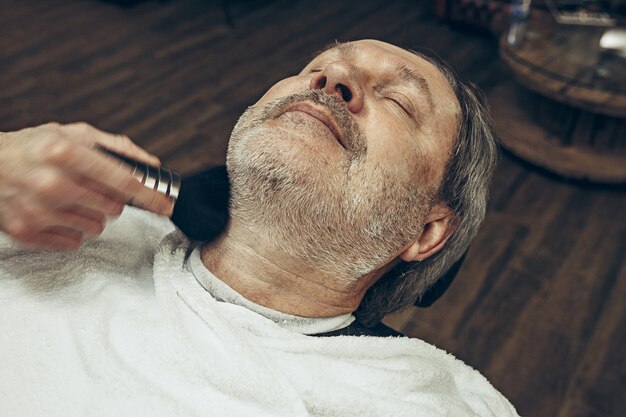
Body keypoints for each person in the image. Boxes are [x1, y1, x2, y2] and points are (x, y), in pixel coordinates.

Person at [0, 39, 517, 416]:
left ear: (426, 232)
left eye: (400, 103)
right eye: (319, 68)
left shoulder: (428, 401)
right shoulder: (63, 220)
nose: (332, 83)